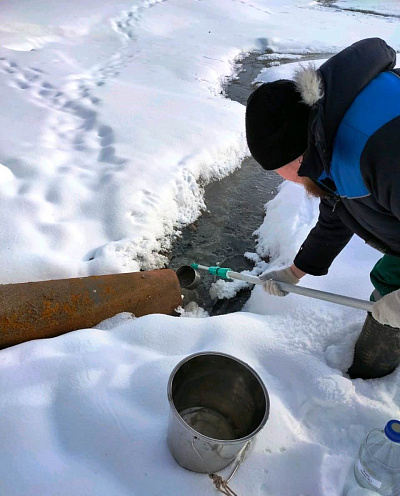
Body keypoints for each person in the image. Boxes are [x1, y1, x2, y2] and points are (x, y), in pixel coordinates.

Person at [245, 37, 400, 380]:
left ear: (295, 155)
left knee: (392, 297)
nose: (285, 180)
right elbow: (338, 212)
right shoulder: (326, 131)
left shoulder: (382, 149)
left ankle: (374, 375)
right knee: (388, 280)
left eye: (278, 171)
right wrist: (295, 272)